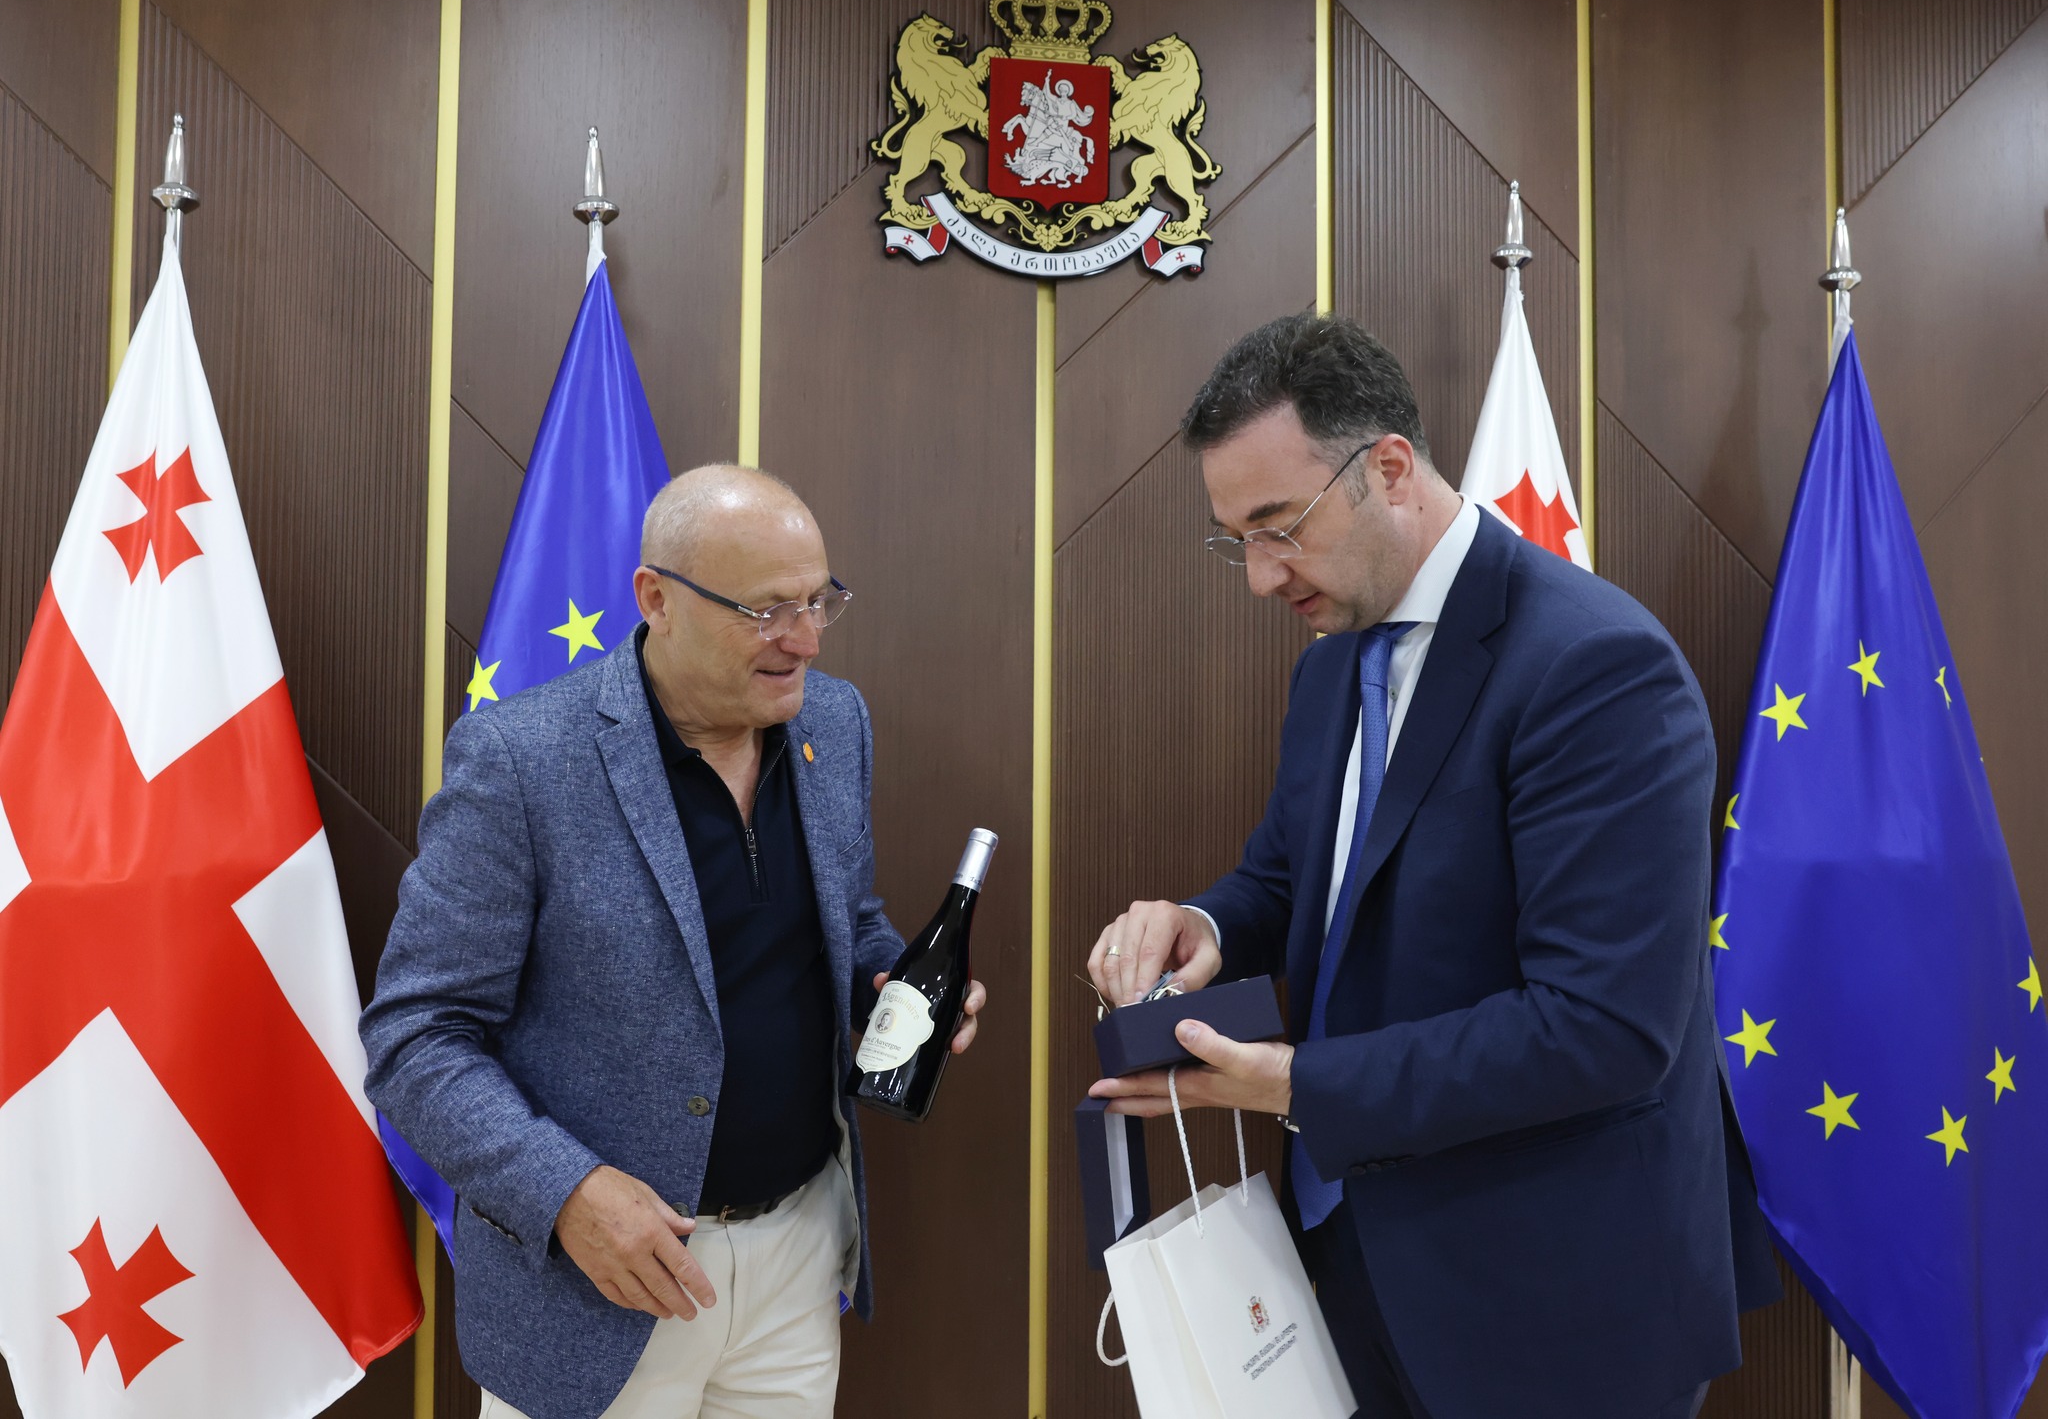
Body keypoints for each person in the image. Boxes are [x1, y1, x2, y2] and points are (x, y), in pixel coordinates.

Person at [1086, 315, 1778, 1419]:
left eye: (1278, 527)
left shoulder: (1595, 666)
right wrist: (1203, 925)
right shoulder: (1329, 668)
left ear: (1390, 470)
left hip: (1554, 1300)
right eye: (1235, 542)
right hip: (1357, 1261)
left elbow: (1601, 1027)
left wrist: (1296, 1085)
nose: (1260, 577)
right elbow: (1296, 880)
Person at [361, 465, 985, 1419]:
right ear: (656, 598)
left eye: (819, 601)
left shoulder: (834, 720)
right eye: (767, 611)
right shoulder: (522, 761)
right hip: (596, 1287)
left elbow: (844, 919)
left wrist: (892, 987)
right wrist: (566, 1193)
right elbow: (416, 1037)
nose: (806, 640)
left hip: (797, 1256)